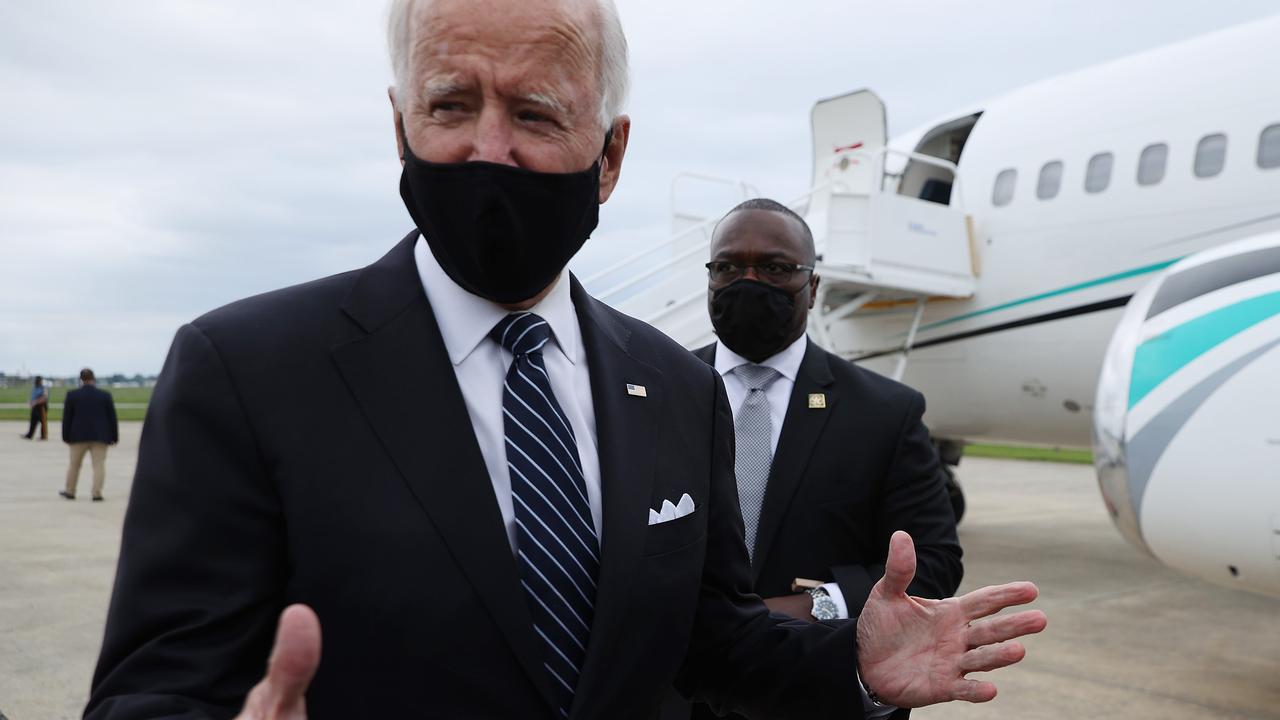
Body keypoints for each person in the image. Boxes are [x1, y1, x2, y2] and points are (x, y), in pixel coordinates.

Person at [86, 1, 1046, 718]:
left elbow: (708, 640)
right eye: (451, 104)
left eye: (537, 114)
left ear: (611, 153)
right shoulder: (242, 372)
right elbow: (153, 689)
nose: (487, 150)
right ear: (398, 124)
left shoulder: (674, 388)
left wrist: (853, 664)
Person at [679, 199, 964, 720]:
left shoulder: (886, 412)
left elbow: (935, 562)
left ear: (812, 286)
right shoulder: (657, 392)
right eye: (727, 267)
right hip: (678, 693)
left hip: (822, 691)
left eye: (775, 268)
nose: (749, 280)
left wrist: (817, 605)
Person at [60, 368, 119, 502]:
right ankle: (96, 493)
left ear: (81, 379)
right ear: (94, 378)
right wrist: (114, 436)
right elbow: (112, 418)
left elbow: (67, 418)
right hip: (100, 436)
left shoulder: (72, 395)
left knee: (74, 465)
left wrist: (65, 436)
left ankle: (70, 491)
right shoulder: (105, 395)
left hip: (77, 436)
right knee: (99, 465)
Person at [20, 375, 49, 440]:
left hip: (41, 407)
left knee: (43, 421)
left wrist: (35, 402)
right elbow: (32, 397)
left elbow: (44, 398)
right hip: (35, 407)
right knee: (33, 420)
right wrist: (30, 402)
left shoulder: (44, 388)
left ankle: (44, 436)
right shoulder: (34, 388)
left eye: (39, 380)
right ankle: (30, 435)